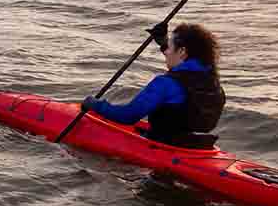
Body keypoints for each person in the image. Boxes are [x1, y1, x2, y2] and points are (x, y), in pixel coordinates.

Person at [82, 23, 225, 149]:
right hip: (199, 145)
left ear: (182, 52)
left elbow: (127, 116)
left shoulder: (166, 83)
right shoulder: (213, 80)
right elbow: (186, 70)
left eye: (169, 47)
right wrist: (163, 42)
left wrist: (95, 104)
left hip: (164, 146)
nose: (166, 52)